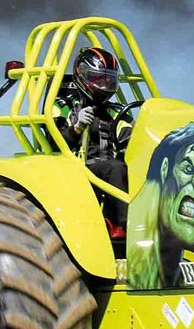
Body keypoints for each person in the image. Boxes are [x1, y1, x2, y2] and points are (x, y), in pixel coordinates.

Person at [55, 46, 134, 231]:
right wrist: (77, 127)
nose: (105, 86)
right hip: (74, 168)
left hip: (107, 168)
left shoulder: (115, 111)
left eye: (109, 80)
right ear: (82, 75)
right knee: (115, 168)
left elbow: (129, 134)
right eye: (99, 79)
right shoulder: (63, 107)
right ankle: (128, 227)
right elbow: (54, 143)